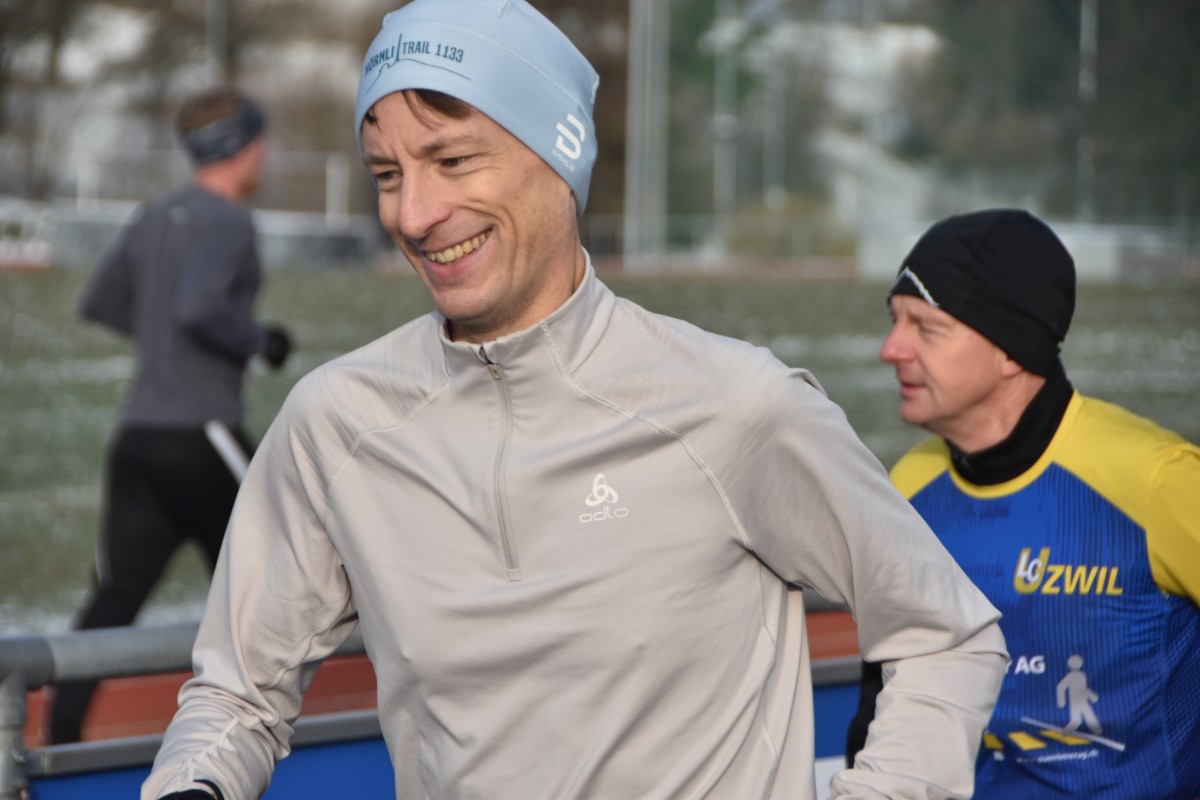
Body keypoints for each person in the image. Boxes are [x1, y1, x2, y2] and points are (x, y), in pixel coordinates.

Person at [142, 3, 1008, 798]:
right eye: (387, 173)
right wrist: (193, 785)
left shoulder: (732, 404)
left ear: (559, 156)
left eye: (451, 160)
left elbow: (944, 634)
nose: (413, 213)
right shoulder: (335, 422)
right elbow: (236, 696)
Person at [846, 209, 1200, 798]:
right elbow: (876, 714)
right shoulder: (907, 490)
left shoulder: (1157, 480)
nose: (891, 348)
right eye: (894, 321)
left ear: (1011, 350)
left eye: (926, 328)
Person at [48, 86, 292, 745]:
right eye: (260, 142)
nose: (265, 154)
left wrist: (162, 343)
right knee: (271, 580)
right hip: (201, 435)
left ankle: (56, 742)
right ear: (241, 149)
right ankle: (261, 742)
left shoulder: (155, 214)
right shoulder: (229, 220)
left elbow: (101, 301)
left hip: (137, 441)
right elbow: (200, 308)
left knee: (115, 598)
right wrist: (259, 341)